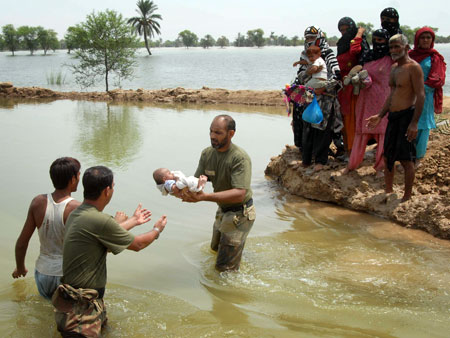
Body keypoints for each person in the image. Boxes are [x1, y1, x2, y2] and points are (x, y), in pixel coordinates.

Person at [52, 166, 167, 337]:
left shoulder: (78, 213)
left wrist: (134, 221)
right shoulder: (99, 220)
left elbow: (102, 239)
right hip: (82, 308)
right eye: (113, 186)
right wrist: (157, 230)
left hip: (77, 301)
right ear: (107, 190)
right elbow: (138, 245)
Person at [179, 115, 255, 272]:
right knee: (214, 250)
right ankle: (236, 255)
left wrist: (205, 197)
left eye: (218, 133)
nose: (213, 136)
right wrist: (177, 186)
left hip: (240, 213)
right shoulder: (207, 154)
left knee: (224, 269)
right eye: (211, 132)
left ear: (231, 134)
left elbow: (240, 193)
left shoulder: (239, 158)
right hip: (223, 210)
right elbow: (196, 181)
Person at [12, 157, 81, 300]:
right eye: (79, 174)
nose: (80, 177)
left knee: (46, 310)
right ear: (73, 179)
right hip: (66, 274)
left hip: (43, 272)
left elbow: (22, 243)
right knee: (67, 317)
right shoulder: (77, 208)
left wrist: (20, 267)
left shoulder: (38, 202)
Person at [367, 34, 425, 202]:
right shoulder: (393, 68)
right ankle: (388, 190)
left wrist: (414, 123)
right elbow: (391, 95)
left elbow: (420, 96)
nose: (393, 50)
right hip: (393, 117)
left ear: (407, 48)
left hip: (407, 116)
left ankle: (407, 197)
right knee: (388, 156)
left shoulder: (413, 68)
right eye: (391, 47)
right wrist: (380, 115)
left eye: (397, 47)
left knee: (407, 159)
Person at [346, 29, 393, 175]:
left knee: (383, 133)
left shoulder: (391, 58)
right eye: (376, 40)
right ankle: (353, 164)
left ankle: (380, 166)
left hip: (384, 99)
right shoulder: (367, 56)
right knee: (362, 131)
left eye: (381, 40)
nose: (378, 43)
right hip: (365, 99)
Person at [409, 27, 446, 164]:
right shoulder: (409, 55)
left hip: (425, 96)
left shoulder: (435, 57)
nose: (425, 40)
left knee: (422, 126)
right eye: (422, 37)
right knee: (408, 123)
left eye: (428, 37)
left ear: (432, 40)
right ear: (417, 39)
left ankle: (418, 156)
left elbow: (437, 80)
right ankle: (408, 155)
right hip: (407, 96)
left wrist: (417, 90)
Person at [336, 17, 370, 155]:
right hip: (342, 87)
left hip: (352, 87)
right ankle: (346, 149)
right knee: (343, 119)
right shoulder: (342, 44)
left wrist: (359, 34)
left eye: (347, 29)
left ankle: (352, 151)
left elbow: (355, 51)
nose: (344, 33)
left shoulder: (357, 43)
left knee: (351, 119)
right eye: (341, 30)